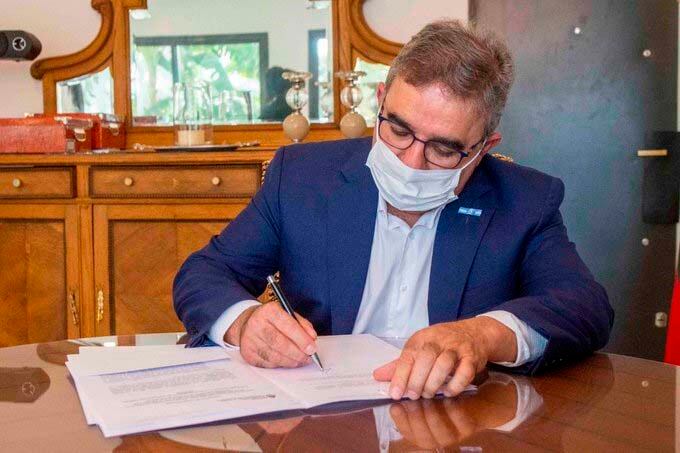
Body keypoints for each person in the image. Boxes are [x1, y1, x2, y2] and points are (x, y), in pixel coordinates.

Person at [173, 19, 614, 400]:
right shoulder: (302, 178)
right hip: (324, 420)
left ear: (483, 147)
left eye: (444, 150)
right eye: (399, 130)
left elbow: (585, 307)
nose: (411, 162)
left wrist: (482, 335)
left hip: (456, 423)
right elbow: (205, 272)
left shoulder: (524, 200)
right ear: (381, 101)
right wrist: (244, 323)